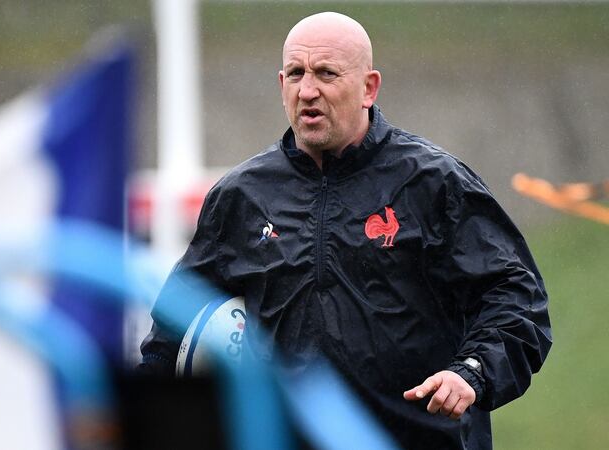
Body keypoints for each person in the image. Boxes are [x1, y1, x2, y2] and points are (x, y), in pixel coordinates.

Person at [139, 12, 552, 450]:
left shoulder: (435, 183)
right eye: (296, 74)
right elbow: (172, 331)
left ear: (369, 88)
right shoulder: (241, 196)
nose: (308, 90)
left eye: (326, 73)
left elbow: (515, 300)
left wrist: (471, 372)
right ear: (281, 84)